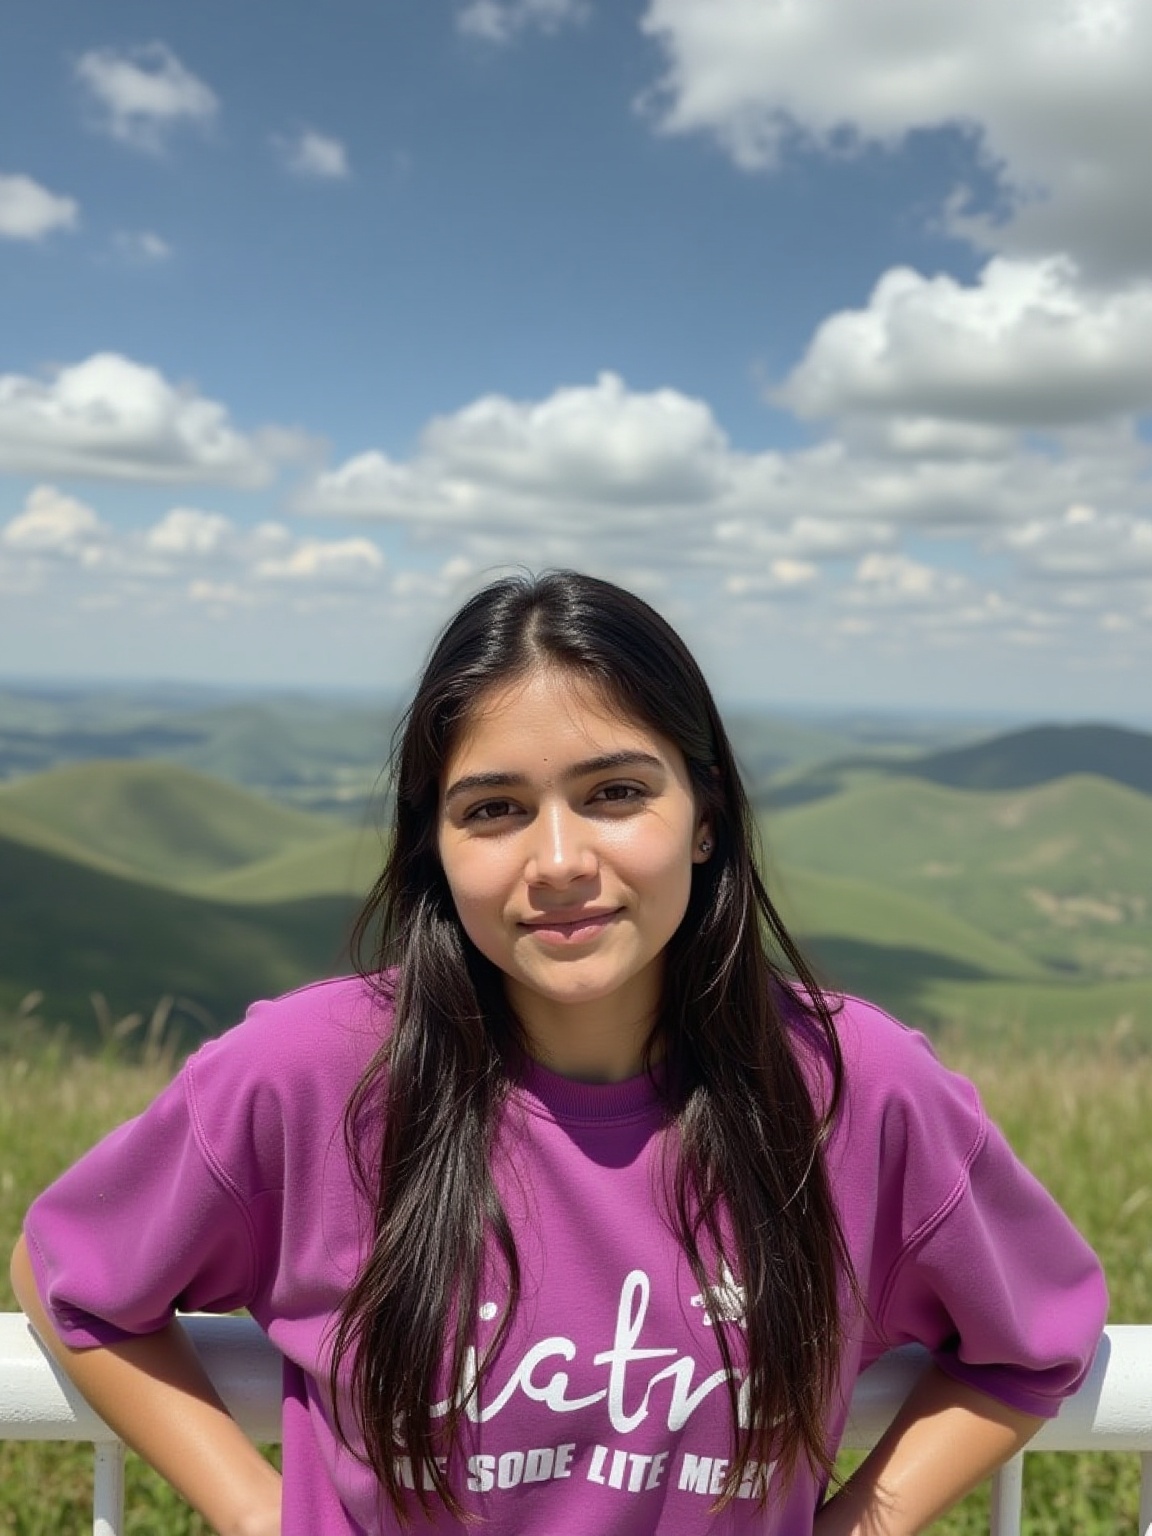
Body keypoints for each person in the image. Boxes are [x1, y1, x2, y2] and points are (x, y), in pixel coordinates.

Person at [12, 570, 1106, 1536]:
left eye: (616, 793)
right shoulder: (310, 1072)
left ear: (706, 815)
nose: (559, 860)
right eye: (492, 809)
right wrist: (256, 1512)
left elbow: (1036, 1338)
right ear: (435, 848)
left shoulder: (853, 1089)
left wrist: (862, 1524)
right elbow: (74, 1280)